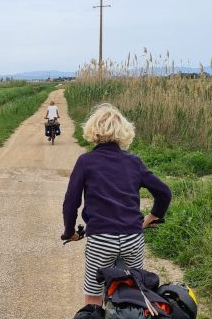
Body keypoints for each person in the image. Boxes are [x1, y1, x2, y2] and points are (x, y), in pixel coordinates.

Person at [61, 103, 171, 306]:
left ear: (92, 130)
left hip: (101, 239)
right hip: (132, 237)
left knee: (93, 294)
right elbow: (164, 192)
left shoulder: (86, 161)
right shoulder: (134, 161)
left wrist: (69, 232)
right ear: (124, 133)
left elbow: (71, 203)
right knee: (135, 289)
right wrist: (151, 217)